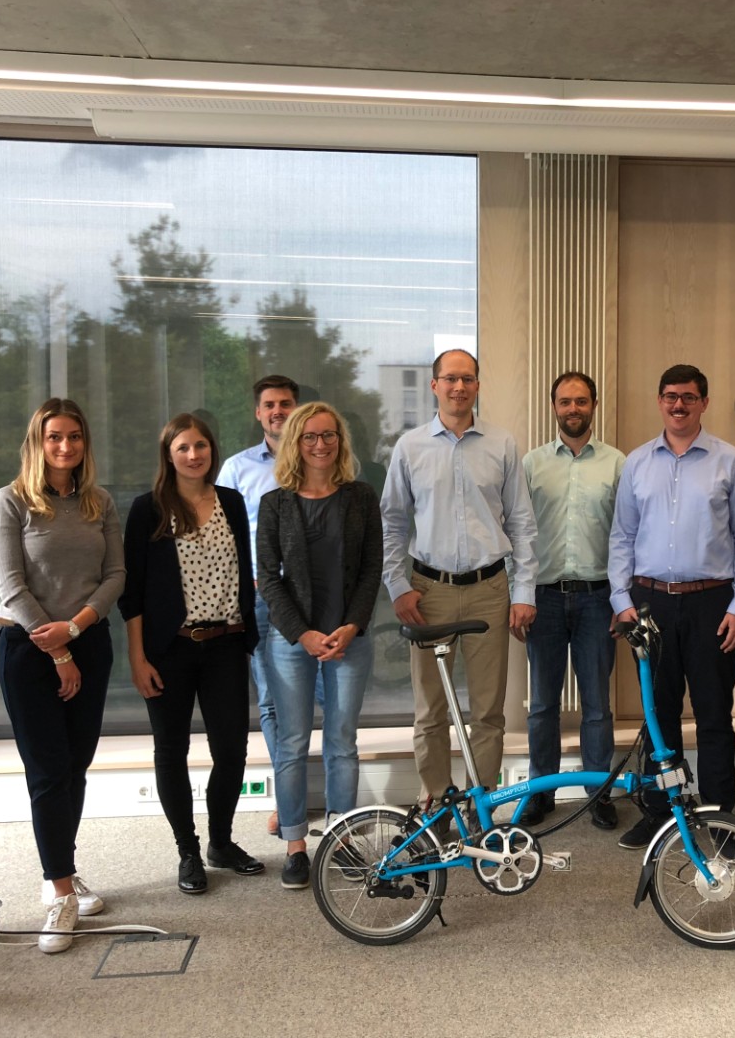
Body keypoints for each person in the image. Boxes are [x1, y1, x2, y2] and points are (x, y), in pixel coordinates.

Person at [0, 398, 124, 953]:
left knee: (75, 767)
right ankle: (59, 895)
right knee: (47, 772)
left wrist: (79, 627)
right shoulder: (11, 502)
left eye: (73, 437)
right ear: (37, 443)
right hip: (30, 651)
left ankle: (61, 868)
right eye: (53, 437)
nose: (64, 446)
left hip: (89, 642)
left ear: (85, 443)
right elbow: (12, 587)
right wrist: (58, 649)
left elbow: (115, 574)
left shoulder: (99, 502)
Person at [608, 363, 735, 850]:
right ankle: (659, 814)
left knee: (715, 715)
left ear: (704, 403)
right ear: (659, 401)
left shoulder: (730, 461)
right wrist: (622, 600)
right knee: (658, 716)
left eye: (689, 397)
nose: (679, 405)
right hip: (649, 604)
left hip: (712, 603)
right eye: (671, 396)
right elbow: (622, 537)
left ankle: (721, 819)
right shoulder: (637, 462)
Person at [380, 348, 537, 807]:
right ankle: (435, 801)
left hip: (491, 591)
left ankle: (479, 804)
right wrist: (399, 586)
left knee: (488, 711)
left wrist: (523, 591)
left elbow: (522, 524)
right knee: (431, 711)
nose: (459, 387)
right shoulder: (410, 447)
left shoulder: (502, 444)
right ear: (434, 386)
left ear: (477, 386)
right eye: (450, 379)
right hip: (429, 592)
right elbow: (392, 522)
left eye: (467, 379)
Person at [119, 413, 265, 896]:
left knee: (232, 751)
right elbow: (133, 593)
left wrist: (247, 633)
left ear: (211, 451)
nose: (193, 454)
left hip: (224, 645)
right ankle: (188, 850)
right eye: (182, 447)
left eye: (200, 445)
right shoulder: (148, 509)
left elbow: (245, 571)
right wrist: (138, 658)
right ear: (168, 455)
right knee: (172, 751)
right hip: (169, 650)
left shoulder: (231, 502)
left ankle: (220, 843)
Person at [259, 401, 382, 889]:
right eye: (309, 436)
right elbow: (267, 577)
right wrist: (303, 634)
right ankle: (294, 845)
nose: (320, 444)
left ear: (340, 440)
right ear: (295, 442)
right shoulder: (277, 503)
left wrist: (351, 626)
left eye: (328, 435)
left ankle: (341, 837)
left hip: (349, 639)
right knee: (291, 743)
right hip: (293, 640)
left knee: (341, 744)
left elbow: (372, 569)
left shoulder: (360, 496)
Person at [521, 371, 626, 830]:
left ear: (594, 405)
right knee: (542, 703)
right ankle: (540, 791)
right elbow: (517, 535)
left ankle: (599, 792)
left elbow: (627, 537)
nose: (573, 409)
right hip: (542, 599)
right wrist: (516, 594)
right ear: (553, 407)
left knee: (598, 705)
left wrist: (624, 600)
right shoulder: (531, 464)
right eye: (564, 402)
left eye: (581, 401)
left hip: (597, 598)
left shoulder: (618, 464)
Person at [216, 375, 299, 835]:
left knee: (319, 697)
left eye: (285, 403)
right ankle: (289, 801)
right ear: (257, 412)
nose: (277, 411)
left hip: (311, 599)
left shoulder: (317, 459)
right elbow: (220, 537)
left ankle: (311, 795)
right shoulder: (236, 469)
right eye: (269, 404)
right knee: (271, 701)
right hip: (260, 598)